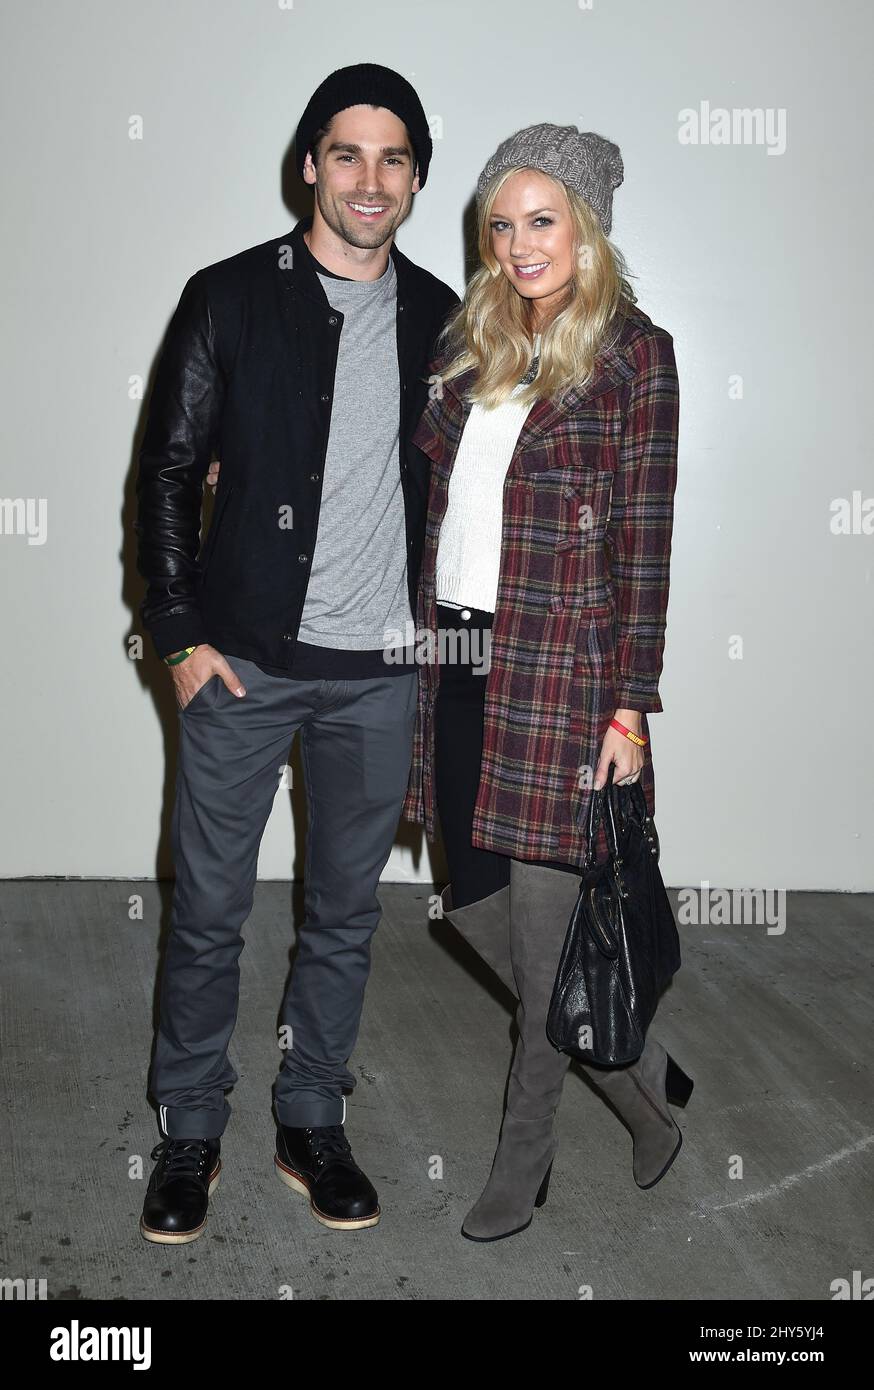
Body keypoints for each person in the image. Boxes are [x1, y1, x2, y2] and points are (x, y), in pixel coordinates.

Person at [134, 63, 458, 1243]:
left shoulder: (442, 315)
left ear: (416, 176)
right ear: (309, 166)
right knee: (210, 907)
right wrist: (176, 633)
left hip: (378, 673)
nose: (368, 181)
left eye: (393, 159)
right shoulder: (228, 297)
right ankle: (188, 1126)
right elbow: (168, 469)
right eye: (346, 154)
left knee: (343, 912)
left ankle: (310, 1114)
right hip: (244, 662)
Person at [401, 124, 691, 1241]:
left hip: (561, 683)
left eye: (542, 219)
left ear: (585, 226)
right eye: (501, 224)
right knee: (480, 916)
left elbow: (643, 544)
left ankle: (521, 1165)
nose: (519, 244)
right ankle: (647, 1082)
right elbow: (422, 489)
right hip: (459, 666)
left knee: (539, 955)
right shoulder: (469, 345)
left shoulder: (632, 354)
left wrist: (631, 703)